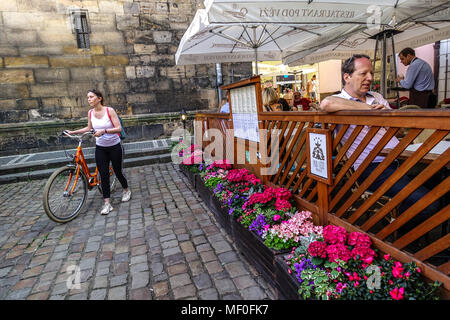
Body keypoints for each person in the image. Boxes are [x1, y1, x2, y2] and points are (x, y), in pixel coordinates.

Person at [319, 54, 439, 233]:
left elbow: (397, 130)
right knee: (428, 202)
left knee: (442, 179)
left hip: (402, 158)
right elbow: (326, 103)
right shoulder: (340, 100)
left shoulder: (376, 96)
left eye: (371, 73)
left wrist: (386, 118)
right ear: (347, 77)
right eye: (363, 73)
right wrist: (368, 110)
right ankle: (398, 235)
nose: (369, 78)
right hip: (372, 168)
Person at [66, 89, 131, 215]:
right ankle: (107, 203)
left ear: (99, 98)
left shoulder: (109, 111)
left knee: (117, 171)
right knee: (103, 174)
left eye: (91, 97)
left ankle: (126, 189)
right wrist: (73, 132)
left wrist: (104, 131)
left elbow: (118, 128)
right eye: (88, 97)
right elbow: (89, 128)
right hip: (100, 148)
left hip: (114, 146)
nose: (89, 99)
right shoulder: (90, 113)